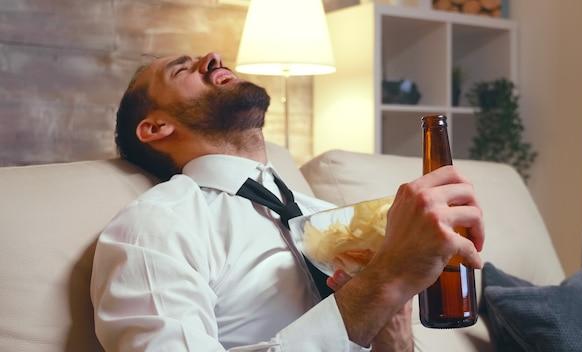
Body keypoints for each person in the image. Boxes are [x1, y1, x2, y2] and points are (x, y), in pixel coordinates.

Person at [90, 52, 485, 352]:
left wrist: (391, 329)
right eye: (182, 70)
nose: (212, 58)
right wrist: (386, 282)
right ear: (156, 127)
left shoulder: (322, 216)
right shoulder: (157, 226)